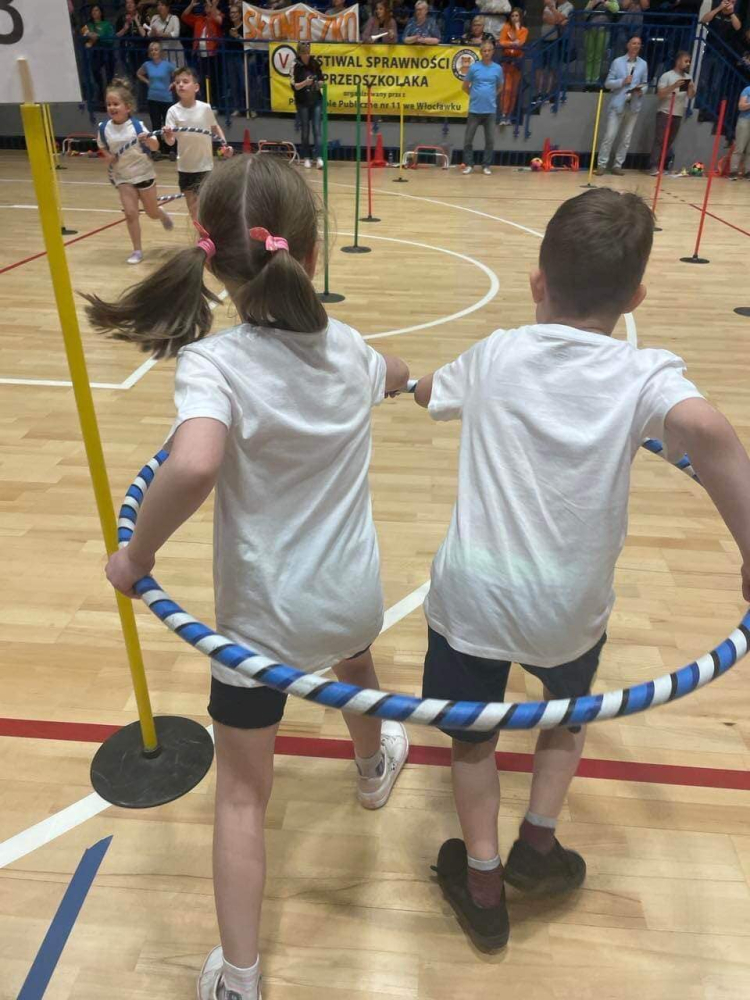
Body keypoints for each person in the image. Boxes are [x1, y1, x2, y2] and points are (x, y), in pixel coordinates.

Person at [83, 153, 411, 1000]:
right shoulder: (351, 351)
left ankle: (239, 976)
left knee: (240, 796)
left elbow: (193, 465)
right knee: (356, 666)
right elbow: (394, 372)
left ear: (213, 261)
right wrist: (418, 383)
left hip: (261, 625)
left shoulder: (216, 364)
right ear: (311, 249)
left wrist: (136, 558)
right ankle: (372, 772)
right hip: (350, 595)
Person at [412, 186, 750, 952]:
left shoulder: (495, 353)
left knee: (473, 740)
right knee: (566, 715)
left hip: (473, 599)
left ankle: (483, 879)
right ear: (635, 298)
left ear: (538, 281)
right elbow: (709, 432)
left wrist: (406, 382)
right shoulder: (644, 373)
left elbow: (432, 392)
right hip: (568, 606)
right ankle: (537, 843)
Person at [96, 77, 173, 265]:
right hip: (123, 177)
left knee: (151, 212)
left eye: (116, 104)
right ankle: (137, 250)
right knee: (130, 213)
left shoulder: (137, 126)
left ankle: (160, 213)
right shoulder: (104, 128)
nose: (112, 107)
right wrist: (108, 156)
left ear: (128, 107)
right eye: (109, 104)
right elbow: (102, 146)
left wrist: (148, 139)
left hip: (143, 173)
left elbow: (155, 147)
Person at [164, 65, 233, 221]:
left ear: (196, 87)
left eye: (185, 81)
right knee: (193, 210)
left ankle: (211, 231)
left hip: (205, 167)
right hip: (185, 168)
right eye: (177, 82)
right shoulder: (172, 111)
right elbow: (170, 142)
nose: (180, 85)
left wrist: (224, 144)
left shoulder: (205, 108)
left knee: (206, 207)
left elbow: (215, 128)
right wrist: (168, 135)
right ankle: (201, 234)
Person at [595, 35, 649, 176]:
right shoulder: (617, 62)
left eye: (639, 43)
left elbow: (645, 83)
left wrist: (641, 90)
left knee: (626, 138)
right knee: (609, 136)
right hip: (618, 104)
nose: (636, 46)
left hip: (634, 104)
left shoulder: (643, 64)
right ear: (628, 45)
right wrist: (622, 81)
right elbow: (608, 83)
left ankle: (618, 165)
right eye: (634, 43)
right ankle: (601, 164)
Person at [648, 51, 695, 175]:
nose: (688, 64)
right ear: (678, 61)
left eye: (689, 62)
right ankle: (653, 166)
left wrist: (691, 88)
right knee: (660, 139)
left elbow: (690, 96)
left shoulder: (687, 78)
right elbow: (660, 94)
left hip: (677, 113)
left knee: (669, 141)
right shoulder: (667, 76)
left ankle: (661, 166)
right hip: (665, 112)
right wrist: (674, 86)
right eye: (686, 61)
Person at [461, 40, 504, 175]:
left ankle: (486, 165)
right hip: (474, 110)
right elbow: (465, 86)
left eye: (489, 50)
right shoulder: (474, 68)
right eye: (484, 51)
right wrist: (475, 95)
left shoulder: (498, 68)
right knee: (468, 140)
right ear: (480, 52)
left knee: (490, 140)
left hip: (490, 111)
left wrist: (491, 95)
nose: (486, 53)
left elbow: (500, 87)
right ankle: (469, 164)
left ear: (493, 52)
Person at [182, 0, 224, 109]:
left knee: (214, 81)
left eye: (208, 6)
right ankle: (204, 103)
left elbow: (221, 19)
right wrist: (191, 5)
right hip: (200, 55)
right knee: (201, 81)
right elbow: (184, 16)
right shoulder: (199, 19)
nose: (206, 7)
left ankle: (215, 105)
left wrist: (213, 6)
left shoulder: (215, 18)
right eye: (205, 6)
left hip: (213, 55)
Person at [137, 40, 176, 157]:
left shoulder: (167, 65)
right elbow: (139, 73)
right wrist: (147, 82)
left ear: (160, 51)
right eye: (152, 50)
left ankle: (172, 150)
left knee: (169, 125)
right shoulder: (147, 65)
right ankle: (157, 150)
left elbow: (179, 74)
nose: (154, 52)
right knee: (155, 125)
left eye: (156, 49)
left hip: (166, 98)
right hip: (153, 98)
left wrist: (173, 84)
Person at [292, 42, 325, 170]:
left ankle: (319, 157)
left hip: (316, 100)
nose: (307, 55)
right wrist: (305, 83)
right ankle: (306, 157)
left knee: (317, 129)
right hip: (302, 102)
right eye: (304, 53)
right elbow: (294, 86)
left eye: (308, 52)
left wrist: (319, 83)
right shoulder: (295, 65)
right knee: (305, 130)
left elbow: (322, 79)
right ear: (300, 53)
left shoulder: (314, 63)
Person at [81, 5, 116, 106]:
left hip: (106, 51)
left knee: (109, 74)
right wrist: (91, 36)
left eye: (96, 10)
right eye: (93, 10)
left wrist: (96, 37)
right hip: (95, 52)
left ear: (101, 12)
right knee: (95, 71)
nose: (94, 12)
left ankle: (109, 96)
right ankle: (100, 93)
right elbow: (83, 32)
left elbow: (110, 38)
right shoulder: (88, 25)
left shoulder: (106, 24)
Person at [498, 7, 528, 124]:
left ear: (520, 17)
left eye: (517, 16)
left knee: (514, 91)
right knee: (506, 89)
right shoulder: (506, 27)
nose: (514, 18)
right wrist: (512, 43)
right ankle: (503, 114)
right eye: (512, 16)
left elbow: (520, 43)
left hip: (517, 62)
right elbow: (502, 42)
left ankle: (509, 116)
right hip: (507, 61)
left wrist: (516, 31)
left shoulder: (524, 30)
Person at [538, 0, 573, 98]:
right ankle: (539, 93)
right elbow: (545, 18)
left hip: (556, 40)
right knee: (539, 67)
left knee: (553, 67)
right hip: (544, 38)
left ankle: (549, 92)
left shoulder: (568, 6)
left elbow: (562, 21)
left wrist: (553, 10)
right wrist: (558, 19)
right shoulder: (550, 2)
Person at [226, 3, 257, 118]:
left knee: (246, 84)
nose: (232, 15)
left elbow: (250, 44)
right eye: (231, 12)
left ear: (240, 14)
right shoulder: (228, 26)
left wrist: (237, 36)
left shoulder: (246, 26)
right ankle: (237, 108)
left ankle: (251, 109)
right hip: (230, 57)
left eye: (235, 12)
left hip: (243, 58)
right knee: (233, 84)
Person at [583, 0, 619, 89]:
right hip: (590, 30)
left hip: (604, 30)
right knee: (589, 55)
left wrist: (606, 3)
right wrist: (592, 5)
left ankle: (594, 81)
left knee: (598, 57)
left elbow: (616, 9)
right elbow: (585, 14)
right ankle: (588, 81)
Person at [145, 1, 184, 67]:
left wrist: (163, 34)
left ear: (167, 8)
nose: (160, 7)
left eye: (162, 5)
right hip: (161, 51)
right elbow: (149, 34)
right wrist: (153, 33)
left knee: (176, 70)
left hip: (174, 50)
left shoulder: (174, 18)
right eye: (158, 5)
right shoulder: (154, 18)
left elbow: (176, 33)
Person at [115, 0, 144, 77]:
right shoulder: (121, 18)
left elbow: (144, 34)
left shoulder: (142, 16)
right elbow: (117, 35)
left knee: (141, 73)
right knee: (129, 73)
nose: (129, 4)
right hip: (126, 48)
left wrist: (136, 20)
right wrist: (124, 29)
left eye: (131, 2)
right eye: (127, 3)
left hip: (140, 48)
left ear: (135, 5)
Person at [729, 84, 750, 177]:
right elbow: (741, 106)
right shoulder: (747, 90)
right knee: (739, 148)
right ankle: (733, 171)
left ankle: (748, 172)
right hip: (745, 120)